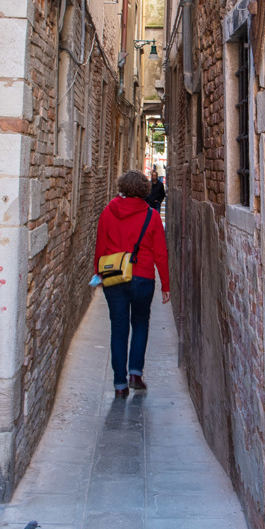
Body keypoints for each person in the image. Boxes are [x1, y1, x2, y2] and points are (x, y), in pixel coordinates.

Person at [94, 170, 170, 397]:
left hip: (114, 276)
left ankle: (119, 385)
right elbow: (161, 254)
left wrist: (98, 274)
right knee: (140, 323)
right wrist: (166, 285)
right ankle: (135, 373)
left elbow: (100, 246)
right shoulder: (152, 216)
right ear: (145, 190)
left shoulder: (108, 212)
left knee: (118, 329)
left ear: (123, 187)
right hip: (143, 277)